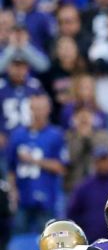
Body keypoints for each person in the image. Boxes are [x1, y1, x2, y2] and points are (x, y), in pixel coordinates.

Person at [7, 93, 67, 232]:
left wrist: (34, 160)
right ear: (30, 109)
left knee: (47, 241)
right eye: (35, 108)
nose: (38, 112)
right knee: (19, 242)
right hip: (22, 197)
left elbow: (60, 167)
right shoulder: (18, 135)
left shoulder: (56, 135)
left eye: (42, 108)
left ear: (49, 109)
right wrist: (13, 191)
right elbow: (11, 168)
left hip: (47, 198)